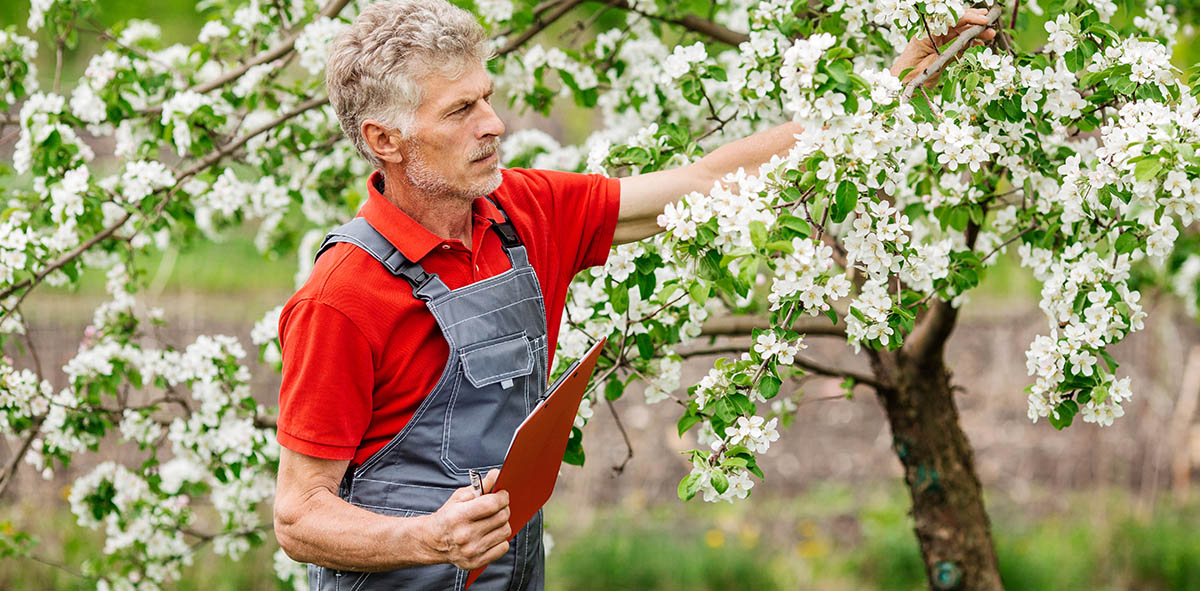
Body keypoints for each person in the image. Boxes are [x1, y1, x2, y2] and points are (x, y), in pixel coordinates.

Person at [271, 2, 997, 590]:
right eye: (460, 111)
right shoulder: (342, 298)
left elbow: (706, 183)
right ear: (385, 140)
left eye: (488, 98)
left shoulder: (525, 213)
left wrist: (887, 90)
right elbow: (300, 515)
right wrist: (424, 536)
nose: (493, 124)